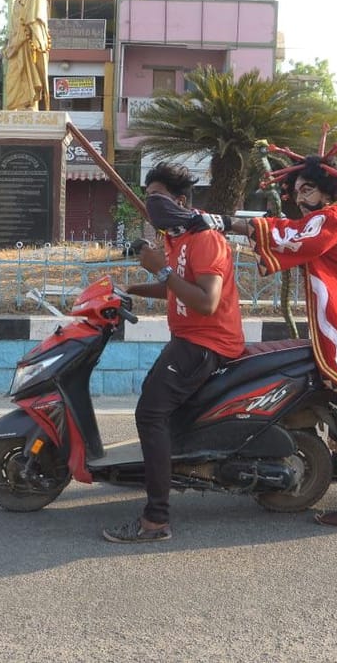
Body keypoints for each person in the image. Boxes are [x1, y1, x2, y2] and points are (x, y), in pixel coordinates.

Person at [201, 154, 337, 529]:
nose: (301, 199)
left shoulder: (333, 219)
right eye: (298, 191)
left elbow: (289, 236)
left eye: (308, 190)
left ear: (327, 190)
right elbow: (293, 234)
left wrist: (225, 223)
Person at [102, 162, 245, 543]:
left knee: (149, 414)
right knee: (160, 411)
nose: (152, 206)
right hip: (187, 339)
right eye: (148, 198)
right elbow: (175, 287)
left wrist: (160, 271)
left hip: (206, 343)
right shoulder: (176, 237)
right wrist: (130, 289)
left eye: (159, 198)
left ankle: (155, 521)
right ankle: (163, 474)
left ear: (181, 201)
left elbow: (206, 302)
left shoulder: (205, 238)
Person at [3, 0, 50, 111]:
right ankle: (16, 106)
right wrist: (11, 45)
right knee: (12, 79)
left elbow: (33, 23)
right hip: (16, 45)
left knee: (28, 76)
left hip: (28, 46)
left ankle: (29, 104)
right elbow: (15, 26)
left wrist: (17, 44)